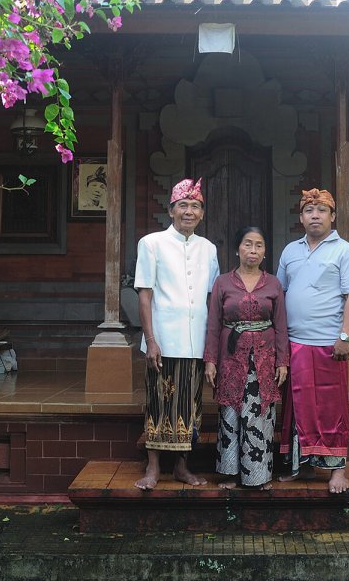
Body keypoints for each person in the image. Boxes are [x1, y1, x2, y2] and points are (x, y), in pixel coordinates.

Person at [133, 178, 219, 490]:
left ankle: (183, 468)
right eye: (183, 205)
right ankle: (153, 468)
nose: (189, 211)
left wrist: (212, 349)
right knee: (159, 402)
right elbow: (145, 295)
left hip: (196, 342)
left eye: (195, 206)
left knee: (191, 406)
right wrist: (151, 340)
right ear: (171, 210)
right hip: (163, 341)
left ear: (202, 214)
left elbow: (212, 299)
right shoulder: (151, 243)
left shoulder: (208, 249)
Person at [277, 188, 349, 494]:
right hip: (296, 343)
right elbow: (280, 295)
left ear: (332, 216)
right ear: (301, 217)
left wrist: (344, 336)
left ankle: (337, 470)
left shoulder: (345, 251)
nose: (315, 216)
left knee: (331, 407)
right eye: (309, 211)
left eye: (321, 210)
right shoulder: (290, 251)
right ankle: (301, 466)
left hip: (329, 343)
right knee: (298, 408)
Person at [203, 227, 289, 490]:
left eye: (259, 245)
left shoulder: (273, 283)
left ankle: (258, 475)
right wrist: (210, 360)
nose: (253, 250)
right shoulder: (223, 282)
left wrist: (283, 361)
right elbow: (214, 325)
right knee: (230, 412)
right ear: (237, 249)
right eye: (248, 244)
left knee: (260, 414)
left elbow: (281, 325)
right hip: (231, 359)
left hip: (264, 359)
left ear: (264, 252)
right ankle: (230, 473)